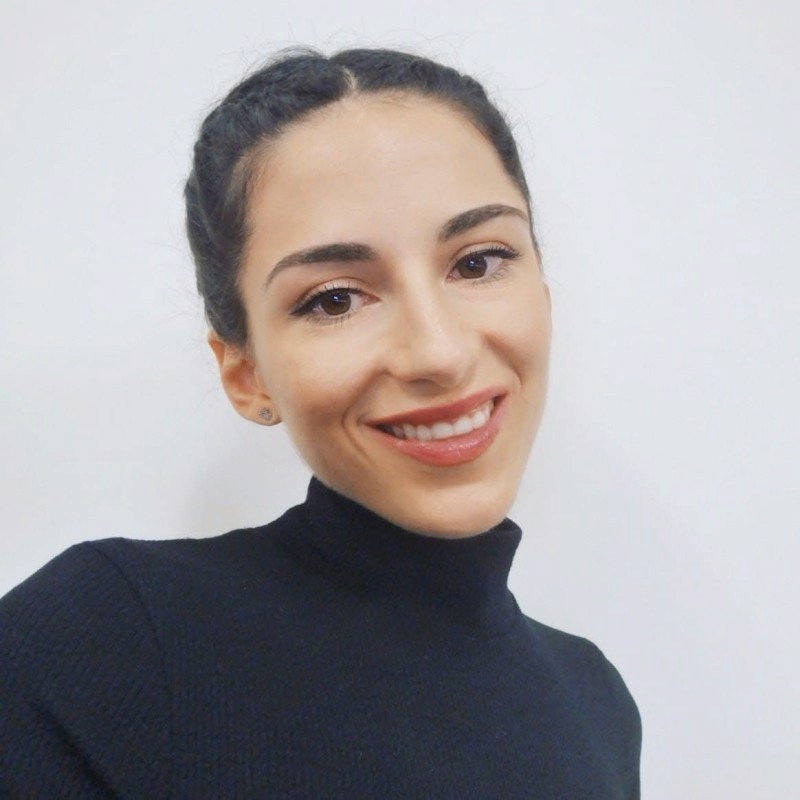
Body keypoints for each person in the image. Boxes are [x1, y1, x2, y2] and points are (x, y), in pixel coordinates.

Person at [0, 47, 641, 798]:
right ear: (245, 373)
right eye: (334, 298)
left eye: (478, 262)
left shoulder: (595, 700)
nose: (437, 351)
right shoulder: (99, 644)